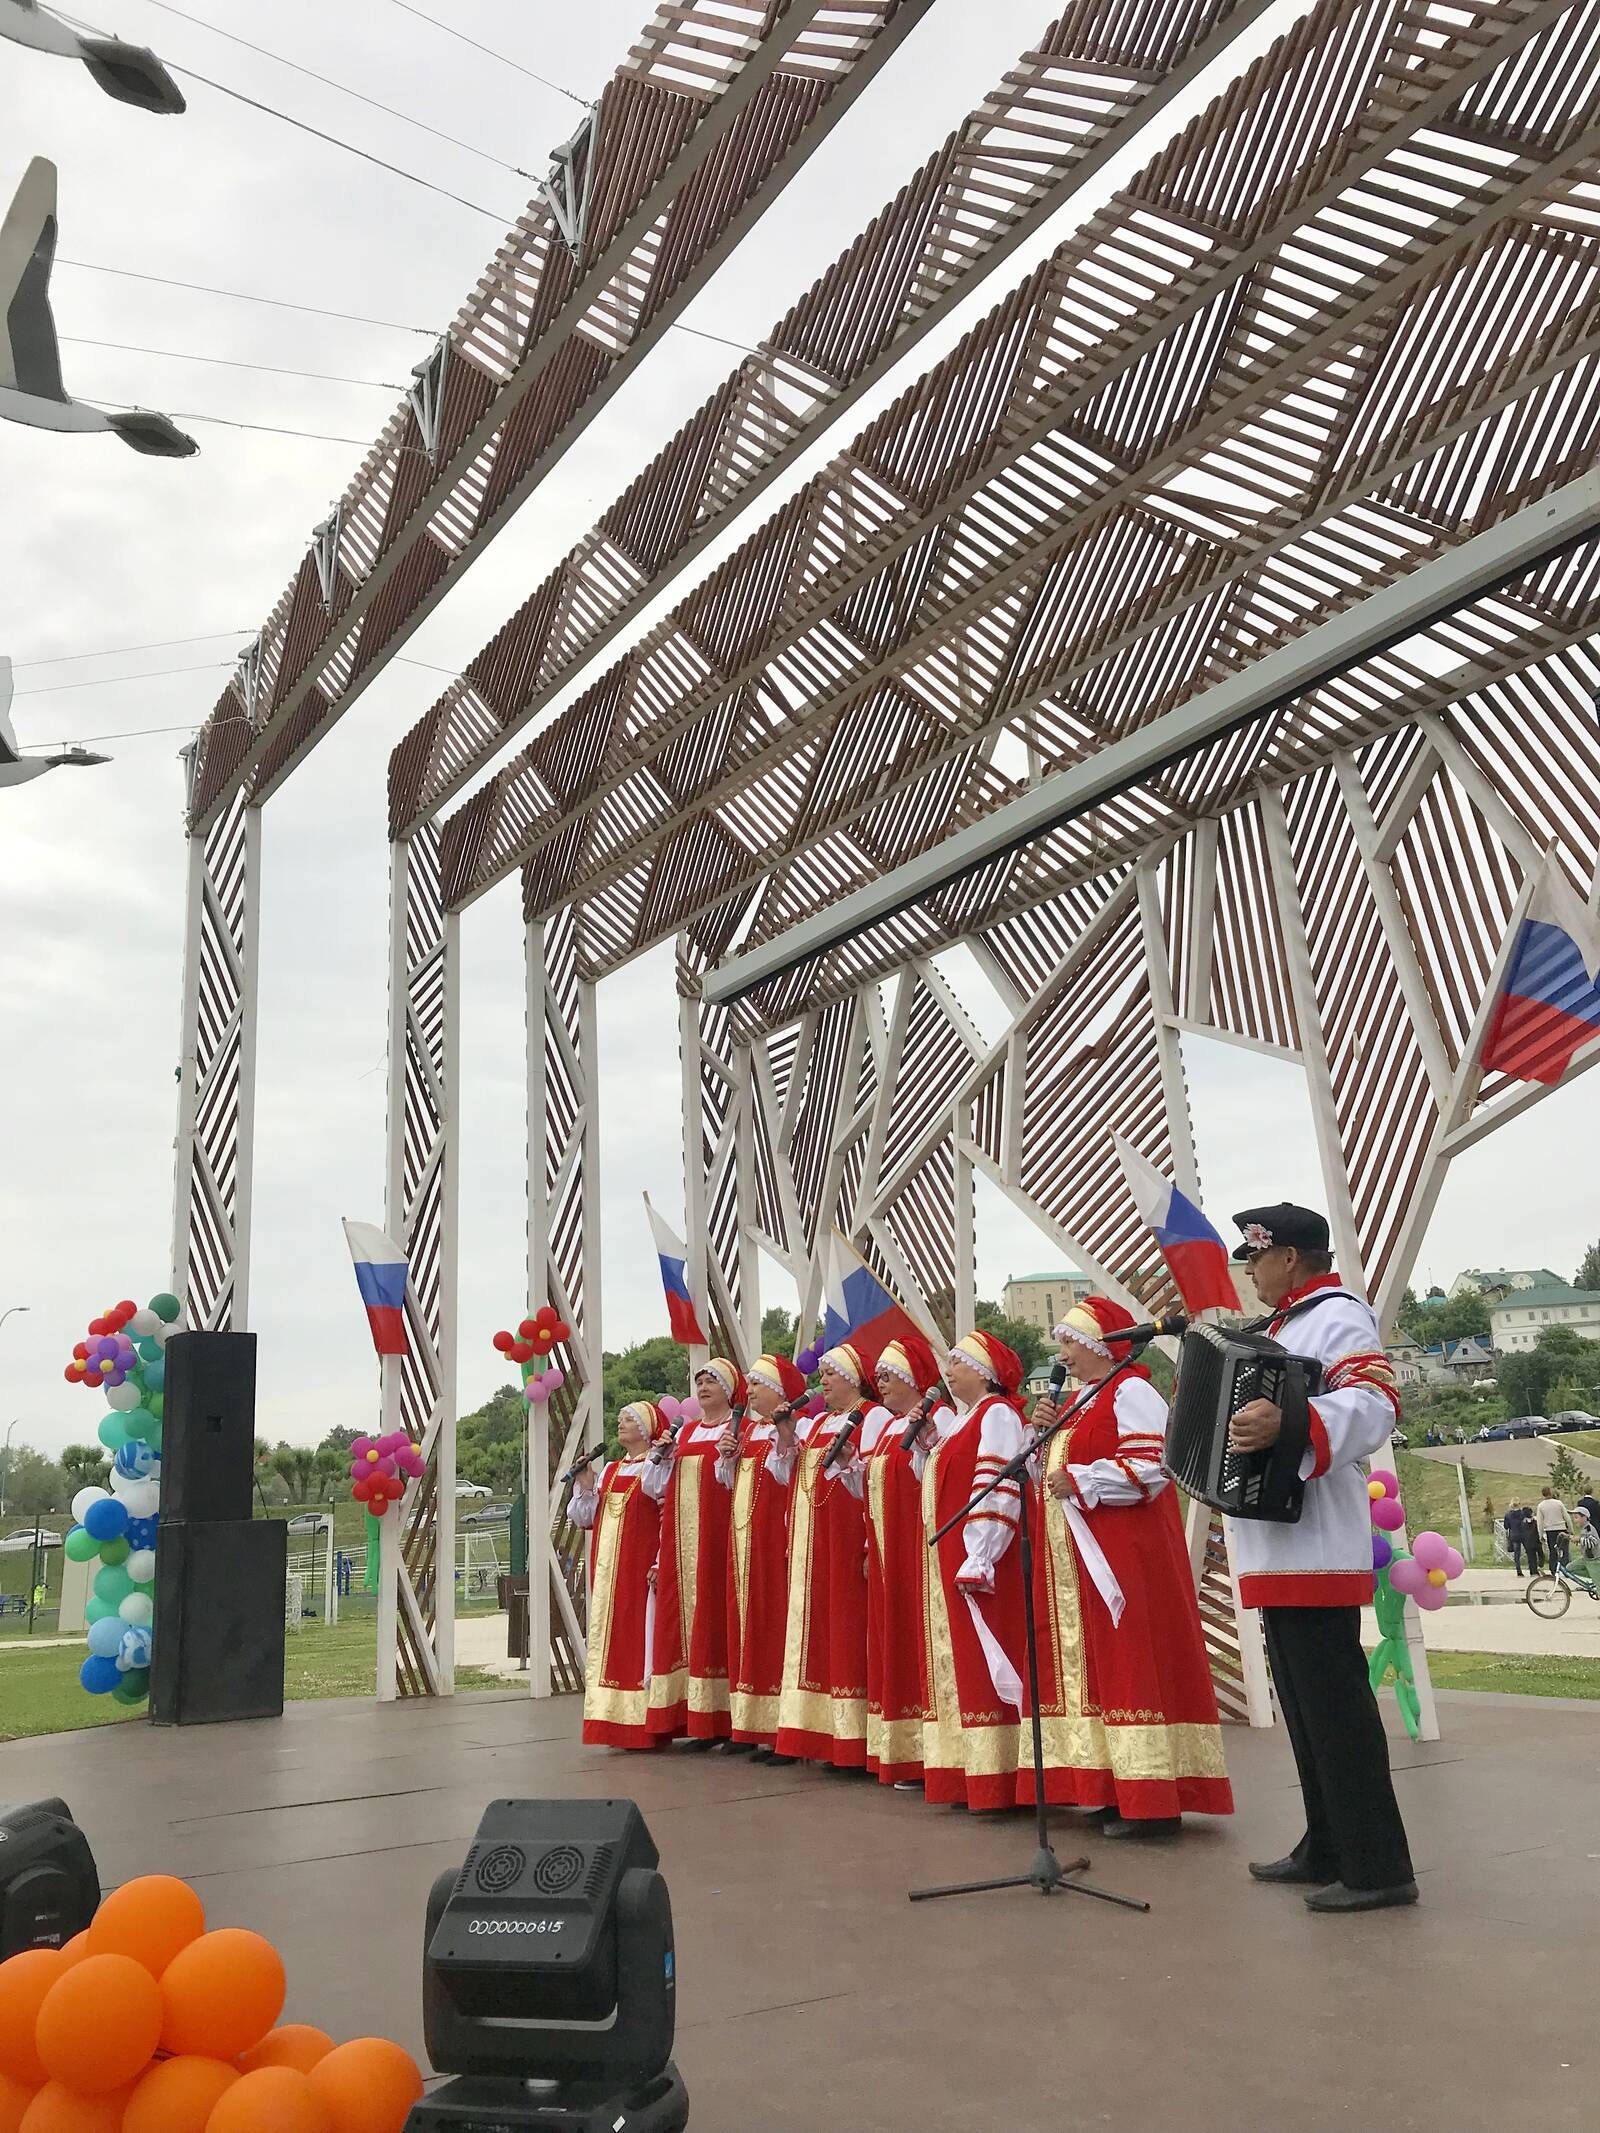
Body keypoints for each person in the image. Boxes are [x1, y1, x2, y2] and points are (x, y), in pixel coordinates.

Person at [1227, 1203, 1416, 1913]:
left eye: (1256, 1257)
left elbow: (1375, 1404)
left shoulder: (1338, 1313)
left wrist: (1296, 1420)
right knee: (1306, 1712)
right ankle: (1327, 1843)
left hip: (1316, 1544)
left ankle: (1378, 1865)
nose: (1249, 1270)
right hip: (1279, 1546)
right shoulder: (1281, 1327)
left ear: (1291, 1258)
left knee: (1337, 1711)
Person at [1020, 1296, 1233, 1835]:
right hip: (1083, 1559)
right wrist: (1042, 1441)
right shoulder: (1079, 1401)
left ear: (1100, 1345)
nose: (1061, 1353)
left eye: (1069, 1342)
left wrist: (1085, 1479)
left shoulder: (1130, 1390)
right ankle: (1114, 1786)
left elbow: (1153, 1463)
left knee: (1132, 1664)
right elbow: (1047, 1476)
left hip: (1127, 1554)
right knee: (1099, 1670)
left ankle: (1154, 1798)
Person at [914, 1328, 1029, 1811]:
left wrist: (981, 1554)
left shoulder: (997, 1414)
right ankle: (968, 1773)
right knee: (958, 1661)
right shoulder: (961, 1422)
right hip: (948, 1555)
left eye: (959, 1363)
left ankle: (998, 1779)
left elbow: (996, 1484)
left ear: (982, 1372)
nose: (949, 1370)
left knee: (983, 1658)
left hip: (981, 1561)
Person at [832, 1332, 950, 1788]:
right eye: (877, 1375)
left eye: (887, 1375)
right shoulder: (886, 1427)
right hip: (888, 1552)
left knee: (916, 1641)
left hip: (917, 1549)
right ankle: (900, 1752)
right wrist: (849, 1465)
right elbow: (871, 1490)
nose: (879, 1383)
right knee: (893, 1642)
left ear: (910, 1378)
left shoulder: (936, 1420)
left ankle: (926, 1754)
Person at [776, 1342, 874, 1769]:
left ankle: (853, 1738)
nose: (824, 1381)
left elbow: (873, 1479)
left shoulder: (871, 1417)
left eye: (831, 1374)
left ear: (852, 1378)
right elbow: (785, 1475)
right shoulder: (815, 1425)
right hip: (812, 1543)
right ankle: (823, 1735)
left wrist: (869, 1542)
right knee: (817, 1634)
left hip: (846, 1537)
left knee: (847, 1630)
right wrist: (784, 1431)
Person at [644, 1357, 745, 1745]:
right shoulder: (682, 1435)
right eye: (699, 1381)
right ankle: (690, 1715)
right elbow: (654, 1488)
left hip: (716, 1541)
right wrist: (663, 1456)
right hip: (680, 1544)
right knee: (680, 1624)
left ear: (728, 1390)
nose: (702, 1387)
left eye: (712, 1382)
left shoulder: (738, 1431)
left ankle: (720, 1717)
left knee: (714, 1620)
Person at [568, 1400, 669, 1751]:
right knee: (611, 1644)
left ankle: (644, 1723)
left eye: (629, 1419)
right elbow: (586, 1518)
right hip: (609, 1571)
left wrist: (660, 1561)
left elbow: (665, 1518)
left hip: (638, 1569)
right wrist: (584, 1483)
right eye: (620, 1418)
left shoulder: (655, 1469)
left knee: (640, 1642)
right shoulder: (609, 1471)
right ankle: (613, 1721)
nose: (621, 1423)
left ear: (646, 1428)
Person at [720, 1350, 806, 1760]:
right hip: (746, 1542)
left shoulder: (793, 1429)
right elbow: (726, 1482)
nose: (749, 1391)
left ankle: (780, 1727)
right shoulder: (748, 1432)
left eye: (757, 1384)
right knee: (749, 1625)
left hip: (776, 1540)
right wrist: (728, 1457)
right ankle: (751, 1723)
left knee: (774, 1626)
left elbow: (788, 1476)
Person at [1535, 1485, 1572, 1571]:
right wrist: (1570, 1529)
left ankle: (1553, 1569)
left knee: (1553, 1550)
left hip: (1550, 1530)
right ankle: (1565, 1568)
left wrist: (1540, 1535)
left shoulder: (1541, 1506)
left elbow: (1539, 1522)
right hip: (1561, 1528)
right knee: (1564, 1550)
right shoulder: (1558, 1503)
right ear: (1550, 1492)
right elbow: (1567, 1517)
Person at [1506, 1503, 1537, 1578]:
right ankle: (1533, 1570)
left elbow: (1506, 1526)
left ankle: (1519, 1571)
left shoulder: (1508, 1515)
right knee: (1529, 1552)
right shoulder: (1522, 1513)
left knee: (1517, 1554)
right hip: (1524, 1535)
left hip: (1514, 1535)